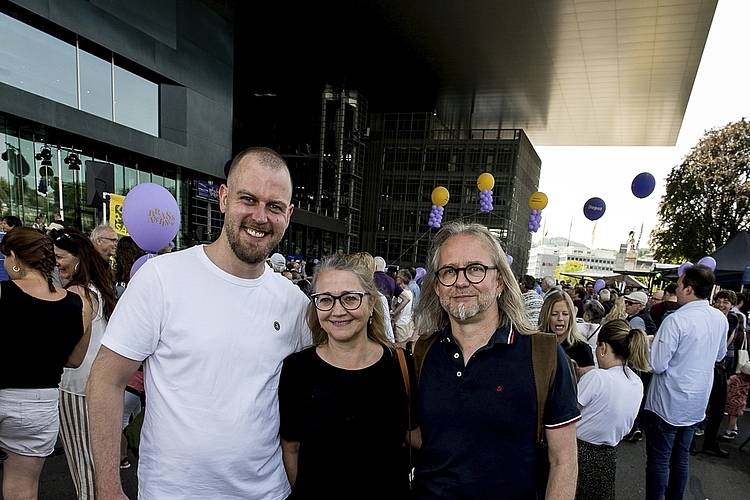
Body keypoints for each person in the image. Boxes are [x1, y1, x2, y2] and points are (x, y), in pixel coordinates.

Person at [86, 147, 311, 500]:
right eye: (247, 199)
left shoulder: (296, 304)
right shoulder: (162, 279)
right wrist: (107, 486)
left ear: (289, 214)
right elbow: (105, 380)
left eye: (274, 206)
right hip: (172, 492)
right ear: (223, 198)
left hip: (267, 493)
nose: (259, 216)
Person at [411, 221, 579, 499]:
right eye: (449, 271)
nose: (461, 281)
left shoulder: (543, 354)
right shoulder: (424, 353)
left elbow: (564, 460)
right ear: (438, 286)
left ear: (500, 280)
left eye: (475, 269)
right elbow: (426, 435)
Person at [279, 254, 418, 499]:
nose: (338, 310)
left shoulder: (400, 366)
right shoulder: (297, 370)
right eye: (325, 300)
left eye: (350, 298)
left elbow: (416, 438)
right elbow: (291, 448)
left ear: (371, 303)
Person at [0, 228, 86, 500]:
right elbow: (75, 359)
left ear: (14, 256)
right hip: (40, 404)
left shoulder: (3, 293)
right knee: (22, 487)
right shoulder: (76, 304)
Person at [644, 264, 727, 500]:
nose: (677, 289)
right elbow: (720, 355)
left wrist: (651, 347)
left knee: (660, 460)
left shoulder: (675, 320)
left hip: (668, 402)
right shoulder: (719, 319)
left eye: (679, 285)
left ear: (689, 289)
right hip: (696, 401)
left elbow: (657, 364)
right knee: (680, 458)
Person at [52, 228, 118, 500]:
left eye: (59, 256)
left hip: (76, 387)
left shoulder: (78, 293)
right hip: (98, 384)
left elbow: (70, 344)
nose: (54, 262)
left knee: (85, 467)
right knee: (97, 464)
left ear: (77, 257)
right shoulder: (97, 287)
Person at [575, 319, 651, 500]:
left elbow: (568, 413)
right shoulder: (636, 382)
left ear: (603, 347)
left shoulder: (598, 377)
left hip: (578, 454)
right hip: (608, 457)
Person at [539, 291, 595, 369]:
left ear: (571, 317)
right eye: (554, 314)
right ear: (546, 316)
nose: (560, 318)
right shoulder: (536, 345)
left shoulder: (582, 349)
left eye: (565, 314)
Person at [721, 361, 750, 440]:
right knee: (734, 417)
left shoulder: (734, 378)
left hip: (731, 400)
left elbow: (726, 384)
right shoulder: (748, 382)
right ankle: (733, 428)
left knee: (731, 416)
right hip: (741, 402)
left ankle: (729, 432)